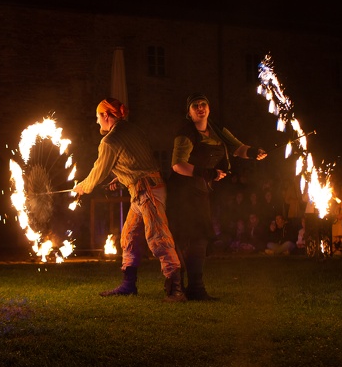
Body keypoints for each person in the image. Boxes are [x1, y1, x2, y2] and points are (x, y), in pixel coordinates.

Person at [73, 98, 185, 302]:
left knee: (158, 237)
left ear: (106, 115)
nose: (97, 122)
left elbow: (98, 171)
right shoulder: (132, 129)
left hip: (148, 192)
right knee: (129, 236)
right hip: (143, 190)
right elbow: (136, 162)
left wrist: (82, 187)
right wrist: (121, 177)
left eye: (98, 117)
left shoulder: (109, 141)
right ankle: (128, 285)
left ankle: (176, 289)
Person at [167, 92, 267, 300]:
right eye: (195, 106)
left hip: (200, 190)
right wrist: (207, 173)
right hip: (182, 193)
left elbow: (237, 147)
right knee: (186, 237)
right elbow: (177, 165)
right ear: (189, 112)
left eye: (203, 104)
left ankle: (195, 288)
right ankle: (179, 287)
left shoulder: (217, 131)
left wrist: (253, 152)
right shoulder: (185, 133)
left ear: (209, 108)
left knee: (200, 236)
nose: (200, 108)